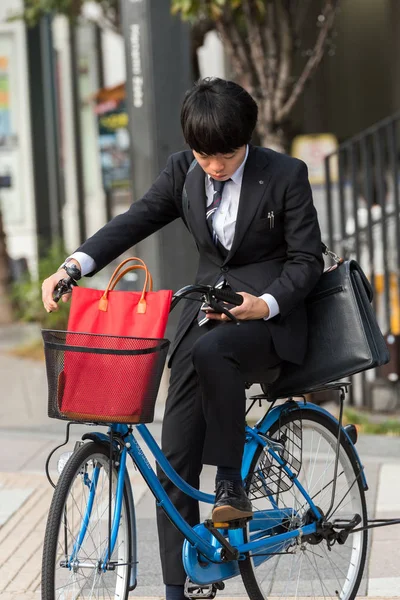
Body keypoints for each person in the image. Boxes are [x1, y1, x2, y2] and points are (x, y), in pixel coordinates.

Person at [42, 77, 324, 600]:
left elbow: (307, 260)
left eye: (227, 155)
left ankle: (230, 485)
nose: (214, 166)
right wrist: (73, 266)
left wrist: (264, 304)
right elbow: (135, 221)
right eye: (204, 155)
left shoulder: (285, 175)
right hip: (203, 317)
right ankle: (177, 588)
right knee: (173, 455)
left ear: (247, 140)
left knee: (217, 350)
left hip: (269, 322)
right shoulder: (184, 171)